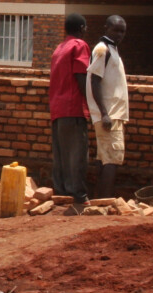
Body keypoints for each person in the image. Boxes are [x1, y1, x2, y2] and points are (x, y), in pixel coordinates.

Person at [49, 14, 92, 209]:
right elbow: (81, 75)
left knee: (61, 154)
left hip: (57, 107)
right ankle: (78, 196)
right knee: (77, 154)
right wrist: (92, 104)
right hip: (73, 106)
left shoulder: (59, 48)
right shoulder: (79, 45)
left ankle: (61, 192)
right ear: (82, 28)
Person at [87, 15, 129, 198]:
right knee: (112, 158)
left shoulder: (112, 49)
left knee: (105, 158)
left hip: (113, 113)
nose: (119, 35)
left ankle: (101, 199)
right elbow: (94, 81)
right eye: (116, 30)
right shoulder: (103, 49)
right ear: (106, 28)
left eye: (122, 31)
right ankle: (105, 200)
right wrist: (104, 113)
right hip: (108, 114)